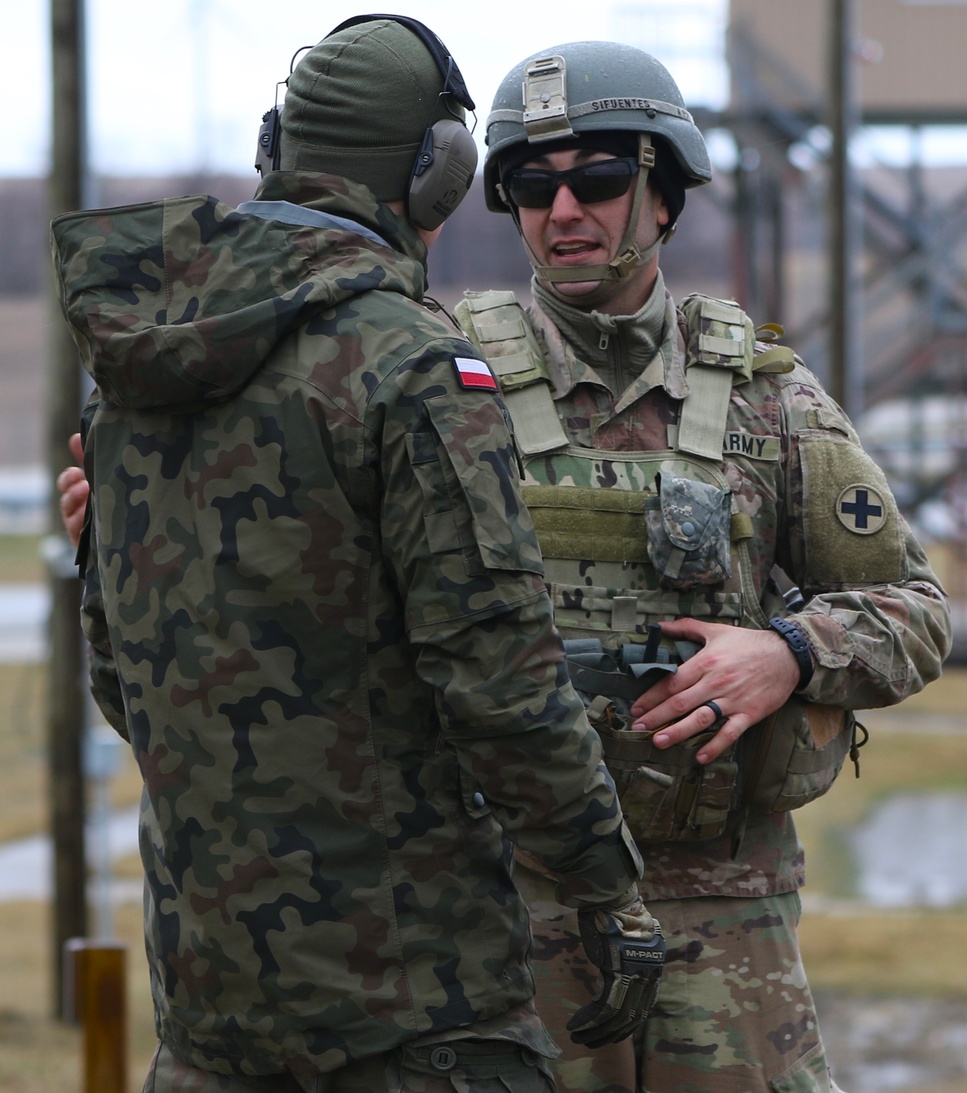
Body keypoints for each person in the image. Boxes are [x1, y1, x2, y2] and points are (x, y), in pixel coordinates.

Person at [50, 19, 669, 1093]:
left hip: (206, 1016)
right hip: (412, 1017)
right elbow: (496, 678)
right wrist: (604, 885)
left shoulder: (134, 372)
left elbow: (126, 684)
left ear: (275, 146)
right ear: (435, 177)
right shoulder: (410, 364)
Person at [448, 40, 953, 1093]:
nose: (563, 212)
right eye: (532, 188)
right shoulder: (443, 386)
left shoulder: (769, 401)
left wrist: (788, 651)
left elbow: (915, 610)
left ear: (664, 195)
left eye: (597, 180)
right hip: (507, 900)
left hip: (721, 907)